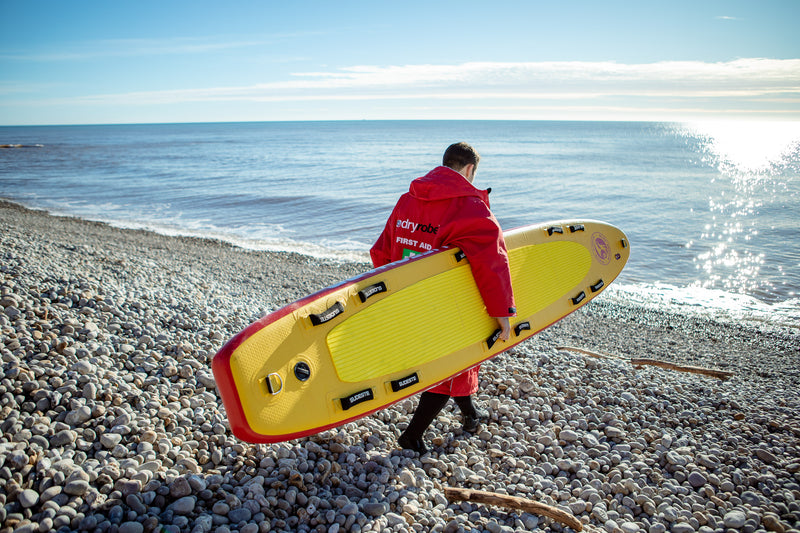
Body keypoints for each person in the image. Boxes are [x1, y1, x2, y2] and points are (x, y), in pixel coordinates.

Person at [370, 142, 516, 454]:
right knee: (450, 371)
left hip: (408, 300)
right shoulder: (470, 207)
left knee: (460, 366)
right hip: (447, 306)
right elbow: (492, 262)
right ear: (469, 170)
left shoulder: (407, 200)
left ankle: (471, 416)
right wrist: (502, 312)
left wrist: (390, 296)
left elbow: (381, 250)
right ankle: (412, 435)